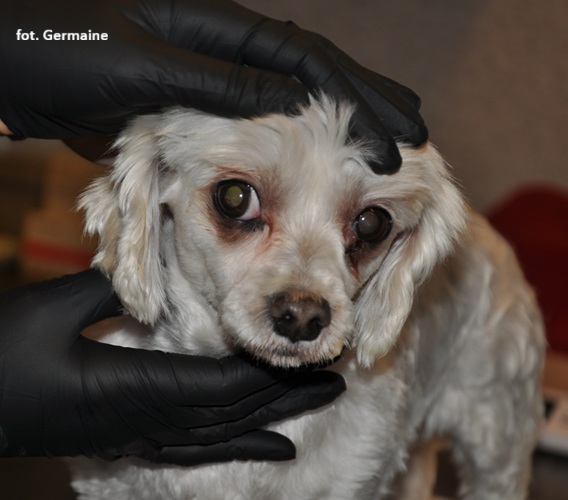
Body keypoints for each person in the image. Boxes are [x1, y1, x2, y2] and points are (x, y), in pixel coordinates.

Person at [0, 0, 427, 466]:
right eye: (237, 200)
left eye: (368, 224)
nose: (302, 305)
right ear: (156, 184)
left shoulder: (354, 457)